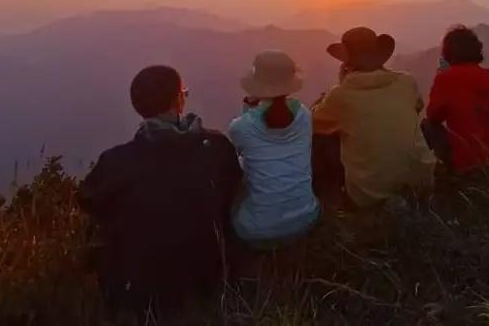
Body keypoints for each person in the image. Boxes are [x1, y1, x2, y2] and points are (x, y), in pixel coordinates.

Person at [78, 65, 241, 316]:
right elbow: (233, 189)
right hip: (209, 277)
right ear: (179, 100)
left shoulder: (115, 162)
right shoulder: (218, 148)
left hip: (140, 289)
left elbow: (88, 201)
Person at [311, 27, 435, 207]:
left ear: (346, 63)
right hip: (421, 183)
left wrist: (340, 84)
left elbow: (313, 122)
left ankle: (331, 197)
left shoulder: (340, 95)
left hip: (369, 195)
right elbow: (417, 108)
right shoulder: (407, 81)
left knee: (323, 138)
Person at [227, 51, 321, 248]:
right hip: (307, 218)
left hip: (256, 231)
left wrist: (249, 108)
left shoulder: (240, 127)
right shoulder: (305, 116)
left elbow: (244, 153)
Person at [423, 26, 489, 171]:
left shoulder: (445, 79)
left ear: (448, 52)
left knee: (426, 126)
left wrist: (440, 75)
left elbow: (433, 116)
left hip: (468, 159)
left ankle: (434, 170)